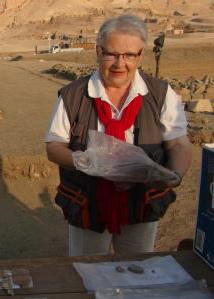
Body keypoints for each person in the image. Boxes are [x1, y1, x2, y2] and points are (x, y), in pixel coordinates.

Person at [45, 14, 192, 256]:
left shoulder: (162, 94)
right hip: (88, 206)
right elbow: (54, 146)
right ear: (98, 51)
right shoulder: (72, 96)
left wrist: (174, 176)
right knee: (87, 274)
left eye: (129, 55)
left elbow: (179, 145)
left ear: (141, 55)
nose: (119, 63)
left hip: (141, 205)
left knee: (137, 274)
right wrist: (84, 161)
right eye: (111, 53)